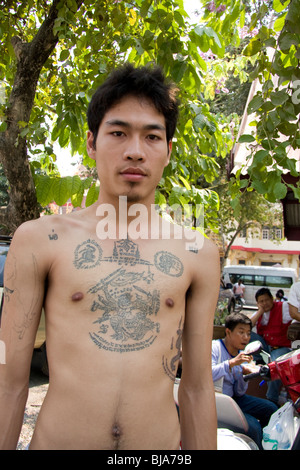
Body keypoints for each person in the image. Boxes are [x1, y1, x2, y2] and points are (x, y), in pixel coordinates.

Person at [0, 64, 220, 450]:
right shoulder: (41, 240)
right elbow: (9, 380)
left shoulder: (198, 253)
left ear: (168, 151)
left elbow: (199, 388)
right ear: (91, 142)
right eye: (118, 133)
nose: (134, 151)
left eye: (152, 136)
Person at [212, 313, 277, 449]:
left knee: (271, 409)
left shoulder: (241, 354)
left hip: (235, 398)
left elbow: (240, 392)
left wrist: (244, 375)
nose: (246, 337)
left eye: (248, 333)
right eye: (241, 332)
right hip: (216, 401)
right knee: (253, 426)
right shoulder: (215, 348)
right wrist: (231, 363)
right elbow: (206, 373)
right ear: (228, 332)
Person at [250, 287, 292, 405]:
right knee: (248, 333)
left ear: (272, 299)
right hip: (265, 347)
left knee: (274, 368)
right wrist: (260, 312)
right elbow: (247, 326)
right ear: (257, 303)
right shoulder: (260, 312)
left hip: (280, 347)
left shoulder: (283, 307)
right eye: (261, 301)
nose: (264, 303)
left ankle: (271, 399)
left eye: (266, 300)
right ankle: (258, 359)